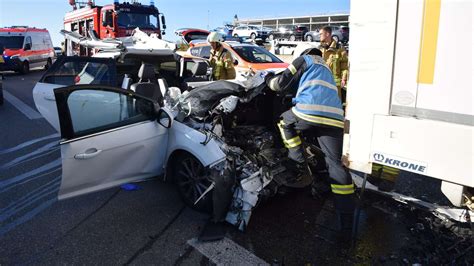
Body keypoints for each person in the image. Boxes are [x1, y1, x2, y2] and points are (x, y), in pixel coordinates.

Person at [265, 48, 355, 235]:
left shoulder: (303, 60)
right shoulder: (326, 67)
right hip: (335, 118)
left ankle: (298, 164)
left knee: (284, 122)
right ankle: (346, 221)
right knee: (336, 165)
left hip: (309, 111)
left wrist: (268, 80)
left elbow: (281, 85)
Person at [318, 26, 349, 103]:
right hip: (322, 84)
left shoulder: (339, 49)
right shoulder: (319, 48)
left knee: (335, 107)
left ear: (327, 34)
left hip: (335, 87)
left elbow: (344, 66)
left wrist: (343, 79)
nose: (319, 36)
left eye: (321, 34)